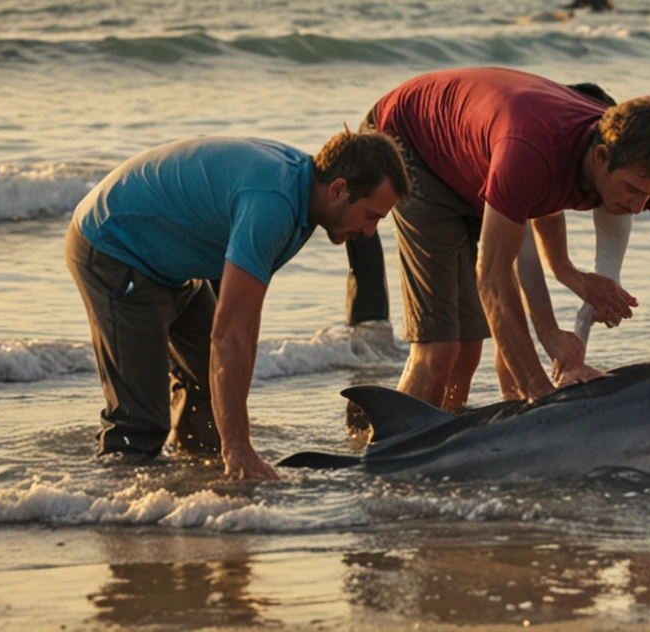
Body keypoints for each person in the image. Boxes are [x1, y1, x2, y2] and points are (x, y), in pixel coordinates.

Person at [353, 67, 650, 411]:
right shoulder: (532, 150)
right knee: (442, 348)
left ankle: (459, 456)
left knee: (469, 350)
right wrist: (540, 392)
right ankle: (385, 458)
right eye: (633, 191)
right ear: (601, 157)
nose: (639, 208)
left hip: (482, 152)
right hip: (411, 138)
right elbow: (493, 276)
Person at [66, 131, 409, 480]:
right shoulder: (274, 203)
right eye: (370, 216)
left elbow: (245, 323)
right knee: (140, 422)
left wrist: (237, 439)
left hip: (174, 262)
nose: (370, 232)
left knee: (210, 384)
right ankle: (112, 509)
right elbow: (229, 334)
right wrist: (239, 445)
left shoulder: (305, 201)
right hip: (115, 246)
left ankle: (201, 483)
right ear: (338, 189)